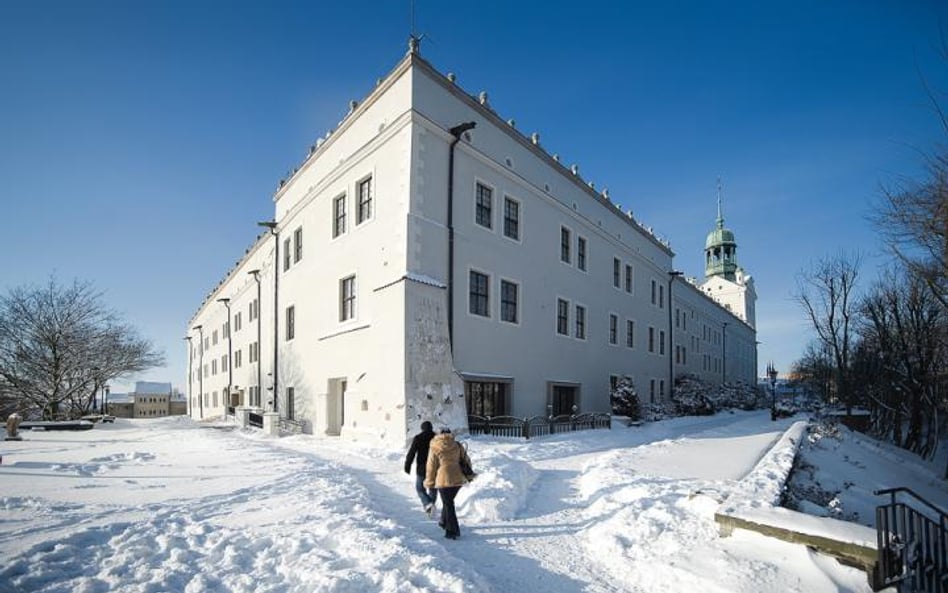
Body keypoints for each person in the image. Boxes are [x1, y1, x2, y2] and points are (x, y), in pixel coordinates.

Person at [424, 427, 472, 540]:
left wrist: (430, 482)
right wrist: (469, 475)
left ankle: (452, 531)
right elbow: (467, 460)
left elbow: (431, 466)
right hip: (458, 479)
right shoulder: (457, 445)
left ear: (439, 434)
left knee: (448, 503)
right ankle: (444, 522)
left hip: (443, 479)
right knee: (448, 501)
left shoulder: (435, 446)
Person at [404, 420, 437, 516]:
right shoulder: (436, 438)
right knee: (433, 488)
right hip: (435, 467)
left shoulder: (418, 438)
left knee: (420, 488)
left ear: (422, 428)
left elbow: (412, 453)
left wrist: (407, 465)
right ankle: (431, 506)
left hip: (422, 468)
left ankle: (428, 504)